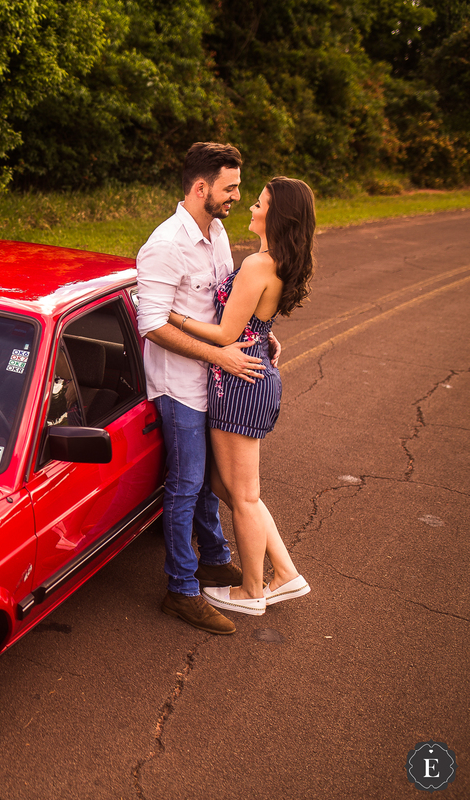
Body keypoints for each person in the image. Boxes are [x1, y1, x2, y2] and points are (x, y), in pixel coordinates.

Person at [136, 142, 278, 636]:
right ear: (202, 188)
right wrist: (219, 354)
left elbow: (224, 301)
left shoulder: (215, 231)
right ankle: (181, 588)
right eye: (231, 187)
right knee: (186, 484)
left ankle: (215, 559)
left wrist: (258, 334)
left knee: (209, 483)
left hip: (216, 380)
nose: (238, 195)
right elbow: (152, 323)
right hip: (179, 386)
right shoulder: (164, 245)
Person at [166, 176, 315, 615]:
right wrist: (264, 336)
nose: (250, 207)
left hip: (239, 381)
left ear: (277, 214)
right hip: (248, 374)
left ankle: (253, 592)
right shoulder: (273, 261)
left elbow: (227, 333)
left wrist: (171, 317)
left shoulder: (258, 264)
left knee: (243, 495)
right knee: (223, 485)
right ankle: (285, 572)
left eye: (259, 203)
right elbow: (253, 323)